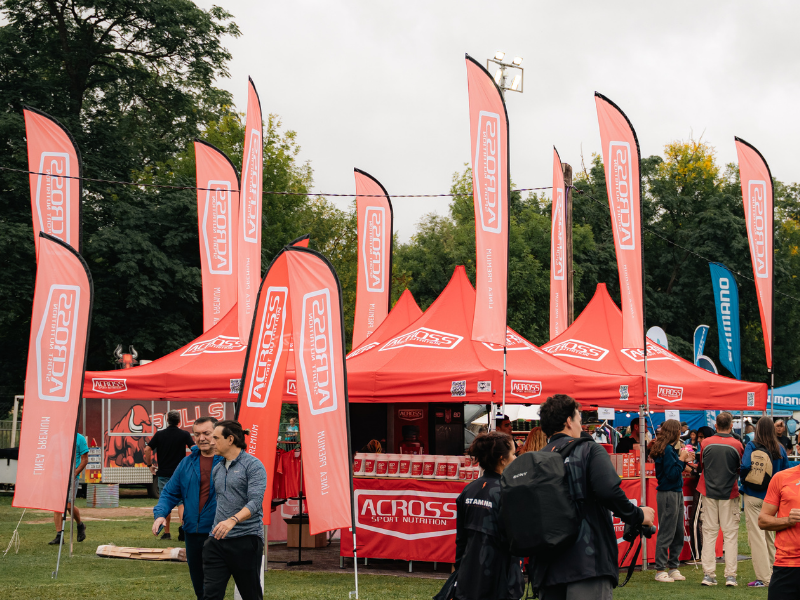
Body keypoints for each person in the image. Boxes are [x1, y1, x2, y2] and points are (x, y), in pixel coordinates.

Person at [532, 395, 655, 599]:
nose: (581, 423)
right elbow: (608, 491)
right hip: (587, 561)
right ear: (569, 421)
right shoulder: (588, 449)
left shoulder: (536, 459)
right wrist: (637, 515)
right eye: (579, 417)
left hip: (547, 567)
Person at [152, 417, 224, 600]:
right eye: (197, 434)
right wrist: (161, 514)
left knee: (214, 589)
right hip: (193, 532)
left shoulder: (229, 461)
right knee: (200, 589)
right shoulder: (187, 463)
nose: (201, 438)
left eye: (206, 433)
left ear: (216, 434)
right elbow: (169, 492)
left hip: (221, 534)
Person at [450, 432, 524, 600]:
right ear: (502, 458)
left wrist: (460, 570)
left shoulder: (469, 489)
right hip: (500, 576)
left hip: (469, 575)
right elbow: (516, 540)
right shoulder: (508, 491)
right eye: (513, 454)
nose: (515, 458)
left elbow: (461, 539)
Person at [203, 420, 267, 600]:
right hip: (216, 541)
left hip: (246, 540)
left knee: (251, 595)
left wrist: (233, 520)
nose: (211, 442)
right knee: (210, 595)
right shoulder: (217, 468)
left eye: (215, 437)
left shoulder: (253, 466)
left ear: (230, 439)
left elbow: (255, 503)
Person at [740, 417, 791, 588]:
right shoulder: (780, 449)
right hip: (774, 499)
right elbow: (786, 473)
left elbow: (745, 465)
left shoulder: (752, 446)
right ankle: (775, 573)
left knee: (757, 537)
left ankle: (764, 577)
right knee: (771, 538)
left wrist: (745, 480)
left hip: (754, 495)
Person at [696, 411, 744, 586]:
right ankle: (730, 575)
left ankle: (709, 574)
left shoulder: (706, 443)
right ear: (731, 426)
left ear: (715, 425)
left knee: (709, 533)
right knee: (730, 534)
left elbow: (702, 465)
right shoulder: (737, 444)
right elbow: (740, 468)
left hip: (708, 491)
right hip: (729, 493)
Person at [650, 420, 692, 583]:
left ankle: (673, 567)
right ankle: (660, 569)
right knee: (667, 531)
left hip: (675, 492)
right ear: (674, 432)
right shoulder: (667, 450)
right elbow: (672, 474)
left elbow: (675, 470)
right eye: (679, 431)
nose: (681, 433)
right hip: (668, 493)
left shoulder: (668, 449)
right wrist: (682, 459)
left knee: (677, 532)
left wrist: (683, 460)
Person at [144, 410, 194, 540]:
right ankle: (184, 529)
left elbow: (147, 449)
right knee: (181, 502)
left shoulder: (160, 435)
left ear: (167, 420)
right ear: (179, 421)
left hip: (164, 473)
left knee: (166, 501)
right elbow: (194, 449)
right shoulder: (184, 434)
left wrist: (150, 465)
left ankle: (166, 533)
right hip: (181, 474)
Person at [757, 463, 800, 600]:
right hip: (787, 565)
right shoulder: (781, 478)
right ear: (798, 448)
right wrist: (788, 520)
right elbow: (763, 521)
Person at [50, 432, 89, 545]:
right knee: (57, 506)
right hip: (56, 476)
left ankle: (80, 525)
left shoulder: (80, 438)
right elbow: (50, 457)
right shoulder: (55, 437)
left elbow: (85, 459)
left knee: (68, 505)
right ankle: (59, 536)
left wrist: (75, 473)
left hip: (72, 477)